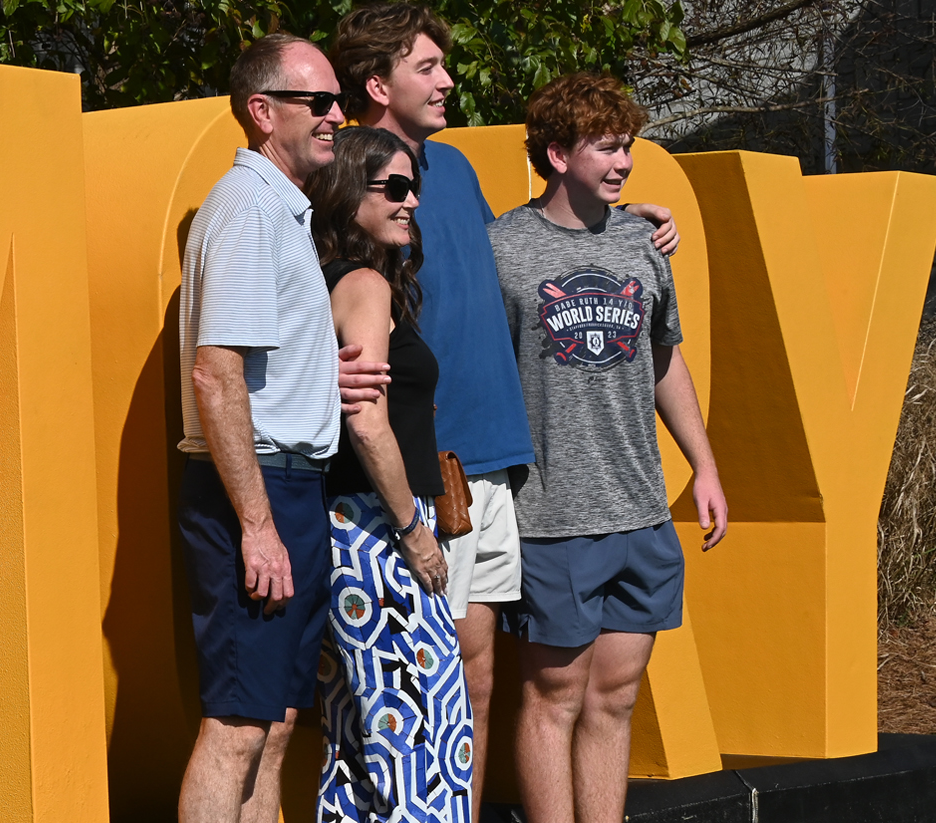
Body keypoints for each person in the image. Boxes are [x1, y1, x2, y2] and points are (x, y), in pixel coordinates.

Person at [327, 7, 680, 814]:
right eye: (427, 67)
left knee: (478, 683)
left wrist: (624, 221)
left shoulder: (449, 170)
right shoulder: (355, 181)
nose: (448, 79)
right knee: (431, 684)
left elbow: (526, 258)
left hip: (493, 468)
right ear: (378, 84)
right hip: (423, 475)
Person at [487, 73, 728, 823]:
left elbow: (664, 357)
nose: (624, 161)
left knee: (615, 696)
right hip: (551, 513)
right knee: (553, 696)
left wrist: (706, 463)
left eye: (628, 146)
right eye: (606, 147)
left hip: (640, 509)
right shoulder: (503, 246)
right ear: (557, 153)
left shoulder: (643, 241)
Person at [175, 33, 349, 823]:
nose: (337, 116)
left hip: (287, 484)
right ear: (262, 109)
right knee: (237, 725)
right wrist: (256, 521)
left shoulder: (278, 209)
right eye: (319, 101)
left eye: (336, 100)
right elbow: (216, 371)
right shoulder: (247, 207)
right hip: (258, 486)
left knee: (273, 724)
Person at [308, 125, 475, 823]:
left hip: (342, 532)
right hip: (379, 531)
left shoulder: (328, 279)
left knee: (356, 740)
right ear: (351, 197)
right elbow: (368, 419)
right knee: (424, 736)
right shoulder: (366, 283)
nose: (411, 202)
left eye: (415, 187)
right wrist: (413, 528)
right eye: (394, 188)